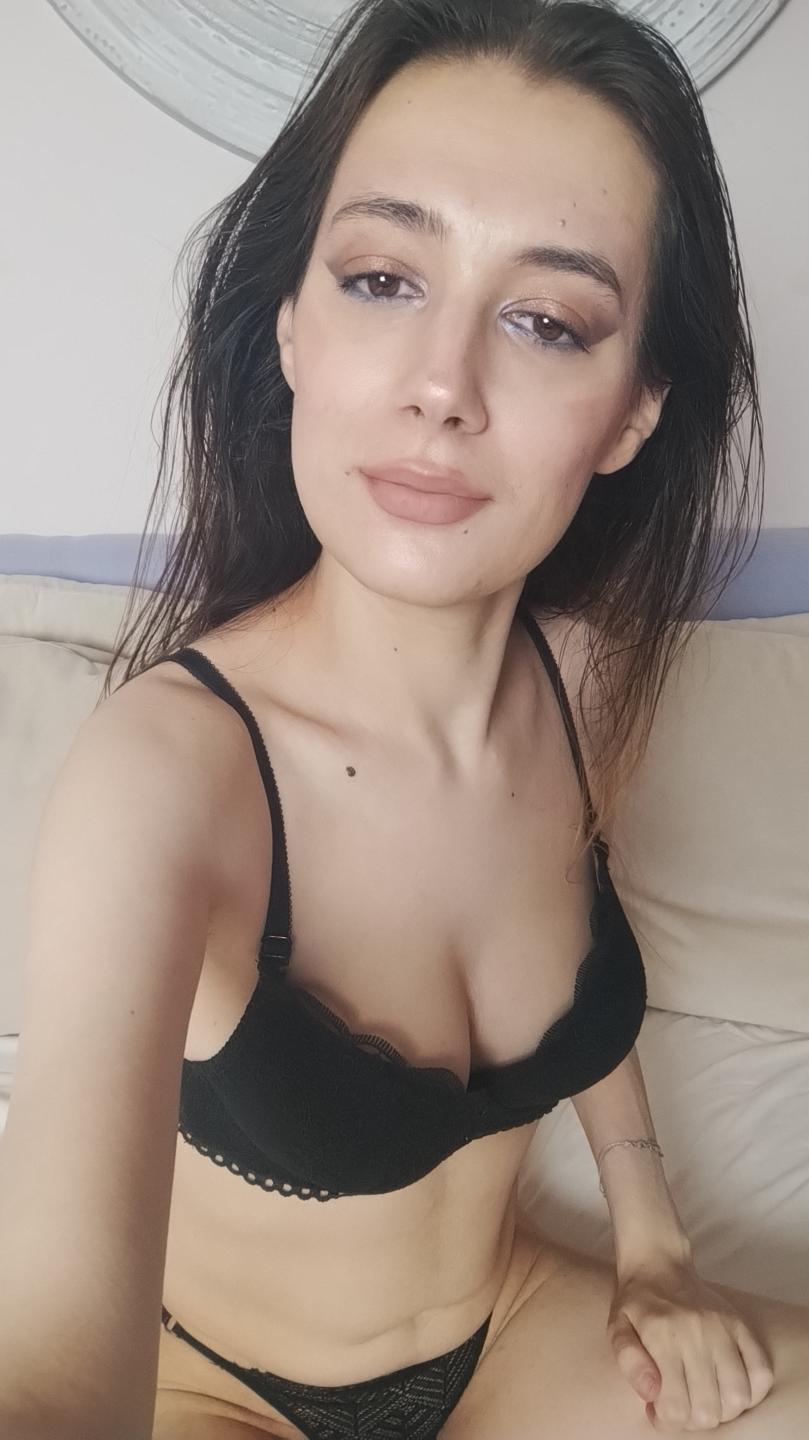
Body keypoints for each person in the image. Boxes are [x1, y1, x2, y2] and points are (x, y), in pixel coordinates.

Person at [1, 1, 807, 1436]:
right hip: (215, 1389)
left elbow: (577, 944)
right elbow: (51, 1348)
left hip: (507, 1329)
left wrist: (653, 1241)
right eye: (382, 280)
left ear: (630, 416)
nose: (443, 387)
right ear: (293, 329)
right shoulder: (168, 775)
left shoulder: (575, 683)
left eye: (546, 321)